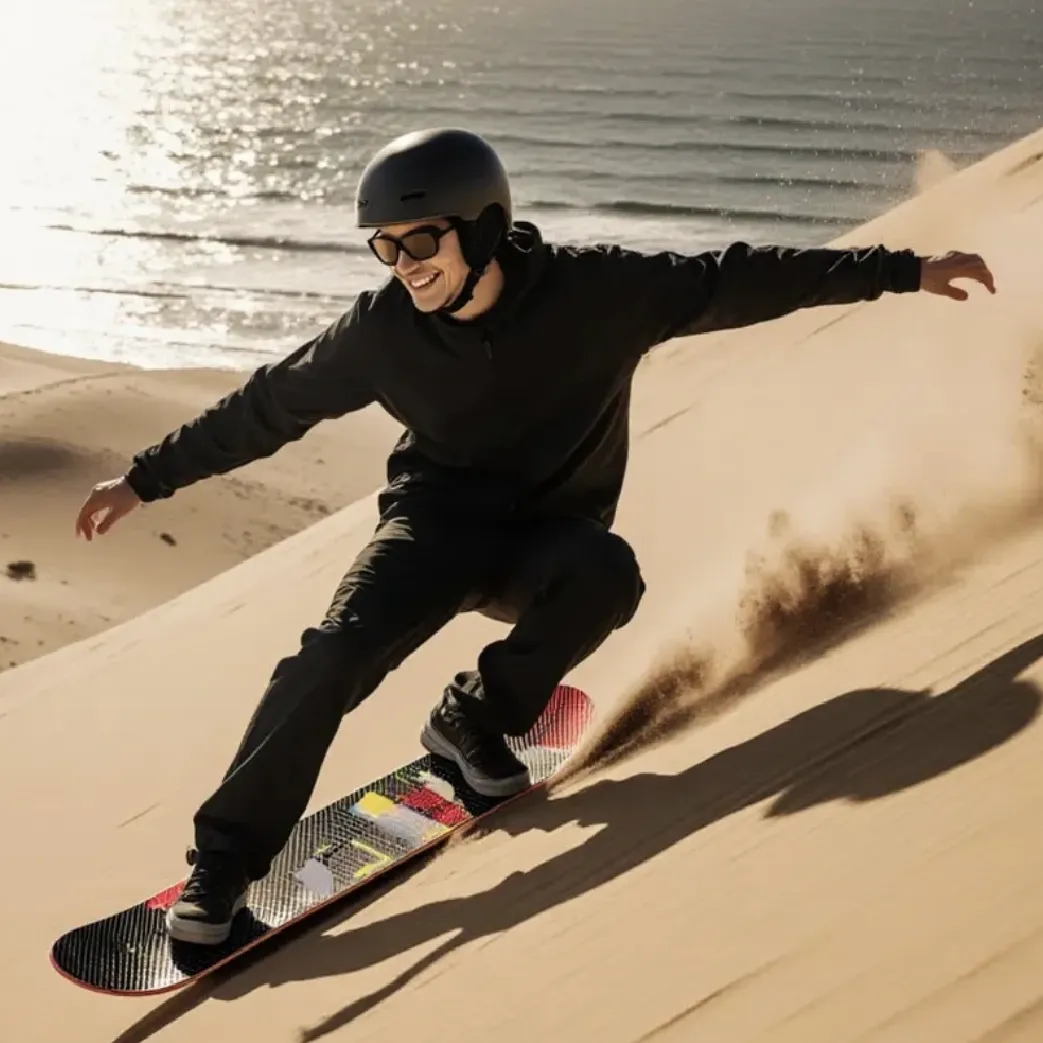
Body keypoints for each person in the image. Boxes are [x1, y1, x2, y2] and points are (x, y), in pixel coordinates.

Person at [74, 127, 996, 945]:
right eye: (384, 244)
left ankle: (472, 721)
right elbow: (267, 406)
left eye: (420, 240)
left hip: (548, 538)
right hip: (434, 526)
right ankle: (221, 868)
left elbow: (736, 277)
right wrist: (145, 479)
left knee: (606, 575)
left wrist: (900, 270)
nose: (402, 263)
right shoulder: (382, 331)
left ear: (481, 226)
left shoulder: (600, 292)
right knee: (332, 655)